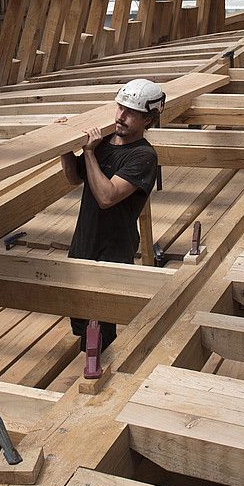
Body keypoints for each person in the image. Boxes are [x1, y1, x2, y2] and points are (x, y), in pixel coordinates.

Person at [58, 78, 164, 352]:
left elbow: (106, 197)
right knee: (80, 314)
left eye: (131, 113)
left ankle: (101, 378)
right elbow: (73, 178)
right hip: (84, 241)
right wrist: (66, 149)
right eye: (120, 108)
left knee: (103, 322)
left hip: (113, 249)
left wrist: (89, 152)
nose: (121, 116)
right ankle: (89, 357)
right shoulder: (104, 142)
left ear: (148, 119)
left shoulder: (143, 156)